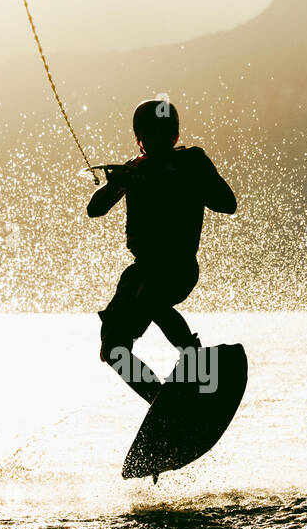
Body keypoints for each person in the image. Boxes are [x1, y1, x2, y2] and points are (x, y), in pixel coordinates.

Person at [87, 98, 237, 403]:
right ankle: (158, 400)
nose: (156, 141)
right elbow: (95, 209)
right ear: (139, 141)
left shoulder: (192, 163)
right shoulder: (133, 170)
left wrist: (186, 181)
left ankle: (197, 360)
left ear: (175, 137)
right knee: (113, 349)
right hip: (141, 272)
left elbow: (227, 203)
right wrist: (116, 185)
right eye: (148, 136)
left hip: (178, 267)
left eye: (163, 135)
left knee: (151, 300)